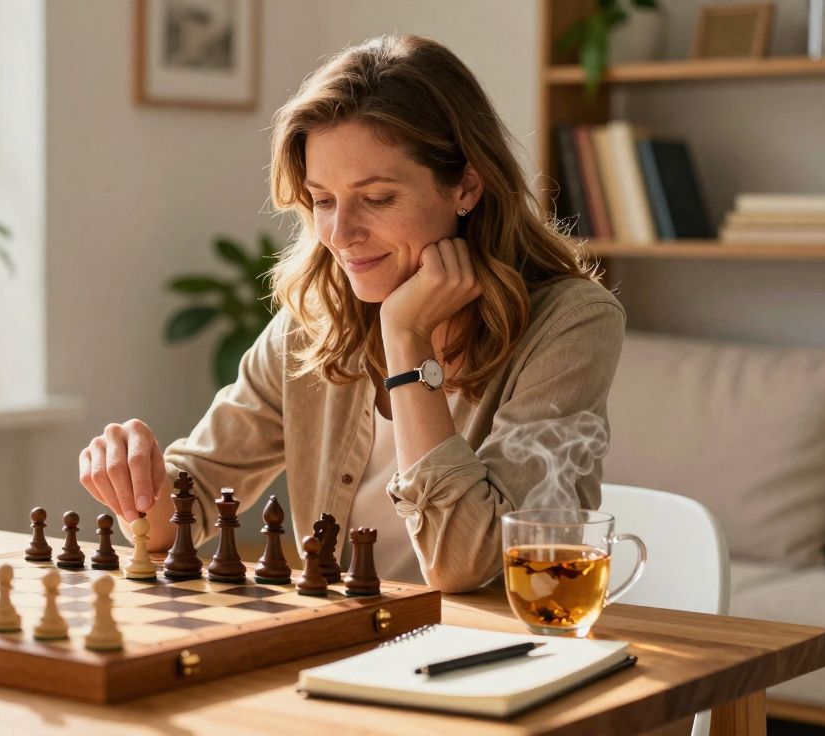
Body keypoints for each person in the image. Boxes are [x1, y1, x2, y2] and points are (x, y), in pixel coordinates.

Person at [78, 35, 625, 593]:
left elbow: (465, 564)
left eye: (378, 198)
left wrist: (406, 337)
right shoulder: (315, 321)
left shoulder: (571, 323)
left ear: (464, 186)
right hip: (346, 652)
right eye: (322, 199)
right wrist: (136, 481)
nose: (341, 236)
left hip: (499, 656)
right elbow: (180, 516)